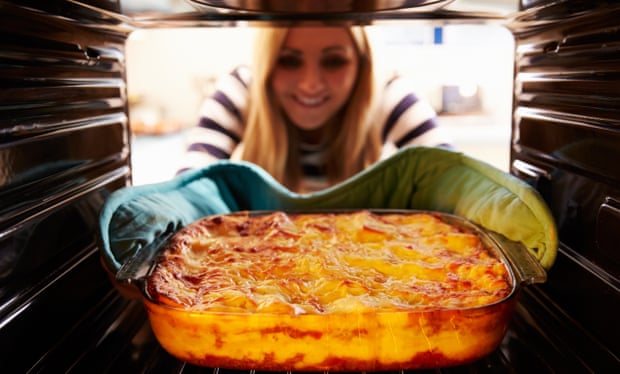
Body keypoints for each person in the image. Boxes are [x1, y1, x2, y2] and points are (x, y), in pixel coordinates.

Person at [178, 24, 452, 193]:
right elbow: (190, 184)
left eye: (333, 61)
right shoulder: (242, 90)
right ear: (267, 65)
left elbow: (452, 179)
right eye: (289, 61)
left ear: (361, 64)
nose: (310, 84)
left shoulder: (387, 93)